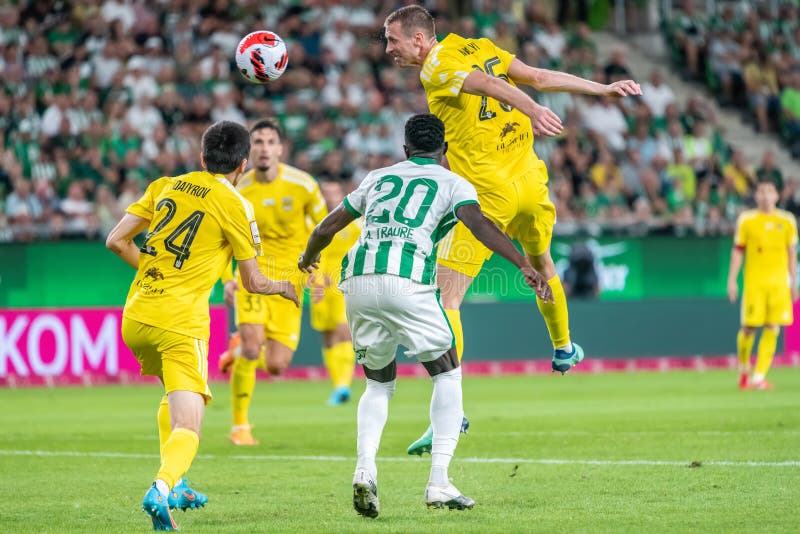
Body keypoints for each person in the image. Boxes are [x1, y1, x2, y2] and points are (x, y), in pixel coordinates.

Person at [383, 5, 642, 455]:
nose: (388, 49)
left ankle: (451, 411)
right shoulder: (478, 45)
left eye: (393, 40)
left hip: (490, 196)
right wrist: (600, 88)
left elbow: (492, 85)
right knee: (542, 263)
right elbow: (536, 75)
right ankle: (563, 347)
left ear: (420, 40)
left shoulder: (437, 67)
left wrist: (533, 108)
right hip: (530, 182)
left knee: (447, 298)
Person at [298, 114, 553, 517]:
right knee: (448, 371)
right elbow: (481, 225)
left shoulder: (378, 177)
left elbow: (329, 225)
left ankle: (365, 469)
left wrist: (307, 257)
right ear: (445, 150)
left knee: (378, 385)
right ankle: (439, 482)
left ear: (405, 150)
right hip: (408, 280)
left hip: (358, 282)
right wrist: (522, 263)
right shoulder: (453, 182)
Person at [105, 120, 298, 530]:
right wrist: (283, 286)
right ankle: (161, 487)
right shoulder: (236, 204)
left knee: (172, 395)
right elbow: (252, 282)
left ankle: (179, 486)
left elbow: (116, 241)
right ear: (242, 165)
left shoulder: (164, 186)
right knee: (190, 426)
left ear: (201, 157)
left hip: (137, 315)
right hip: (180, 323)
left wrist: (155, 274)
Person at [218, 118, 327, 446]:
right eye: (258, 142)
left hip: (290, 279)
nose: (264, 148)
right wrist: (227, 279)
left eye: (270, 142)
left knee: (277, 365)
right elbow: (223, 238)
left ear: (280, 148)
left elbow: (323, 229)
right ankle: (240, 426)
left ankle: (237, 352)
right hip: (252, 274)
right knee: (253, 346)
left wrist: (317, 272)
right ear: (250, 151)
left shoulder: (304, 185)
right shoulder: (239, 189)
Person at [727, 177, 798, 391]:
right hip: (755, 283)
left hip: (778, 284)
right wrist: (732, 280)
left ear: (777, 195)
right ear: (756, 196)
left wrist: (793, 281)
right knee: (749, 327)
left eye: (769, 191)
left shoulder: (787, 220)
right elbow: (738, 251)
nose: (765, 196)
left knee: (773, 327)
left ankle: (759, 376)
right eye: (761, 191)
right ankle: (743, 370)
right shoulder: (747, 220)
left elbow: (791, 253)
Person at [309, 179, 361, 406]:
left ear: (341, 195)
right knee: (328, 335)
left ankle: (343, 386)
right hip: (319, 287)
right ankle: (337, 386)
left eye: (334, 192)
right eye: (326, 193)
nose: (330, 197)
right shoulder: (312, 221)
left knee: (343, 331)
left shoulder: (352, 223)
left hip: (343, 286)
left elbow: (362, 249)